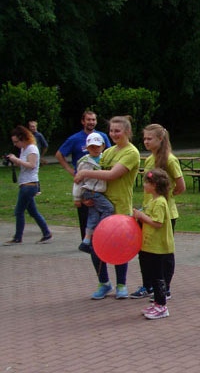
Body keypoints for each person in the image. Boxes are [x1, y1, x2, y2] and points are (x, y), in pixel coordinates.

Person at [74, 115, 140, 300]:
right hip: (99, 205)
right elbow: (95, 176)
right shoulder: (109, 152)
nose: (113, 134)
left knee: (119, 247)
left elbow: (112, 175)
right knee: (95, 246)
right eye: (111, 131)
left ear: (127, 132)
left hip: (119, 206)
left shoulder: (131, 153)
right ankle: (104, 283)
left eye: (117, 131)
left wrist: (84, 172)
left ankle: (121, 284)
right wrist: (87, 196)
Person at [130, 124, 186, 300]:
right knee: (145, 252)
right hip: (147, 211)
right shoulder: (148, 159)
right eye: (144, 138)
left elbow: (181, 186)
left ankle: (165, 288)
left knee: (163, 253)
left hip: (164, 213)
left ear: (160, 139)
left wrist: (165, 197)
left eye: (149, 138)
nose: (146, 141)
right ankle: (148, 285)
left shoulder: (170, 160)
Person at [55, 111, 111, 243]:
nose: (91, 122)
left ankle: (100, 238)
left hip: (101, 183)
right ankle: (86, 241)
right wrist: (71, 171)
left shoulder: (102, 136)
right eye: (88, 120)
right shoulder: (75, 138)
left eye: (93, 120)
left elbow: (110, 153)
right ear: (83, 121)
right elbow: (59, 154)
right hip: (85, 183)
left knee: (100, 211)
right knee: (86, 213)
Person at [132, 168, 175, 320]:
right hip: (150, 247)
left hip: (160, 249)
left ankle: (162, 306)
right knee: (153, 276)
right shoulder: (152, 201)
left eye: (147, 182)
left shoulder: (160, 203)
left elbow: (157, 223)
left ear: (155, 185)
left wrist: (141, 216)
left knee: (159, 278)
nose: (144, 185)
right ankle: (157, 302)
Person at [5, 126, 52, 245]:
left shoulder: (31, 148)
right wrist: (13, 160)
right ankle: (46, 233)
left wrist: (16, 160)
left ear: (23, 138)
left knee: (19, 211)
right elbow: (23, 165)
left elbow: (31, 165)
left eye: (16, 141)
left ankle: (18, 237)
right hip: (25, 184)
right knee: (33, 212)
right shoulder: (24, 149)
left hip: (29, 185)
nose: (15, 144)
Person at [73, 133, 115, 253]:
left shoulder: (105, 159)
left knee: (93, 215)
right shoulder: (84, 162)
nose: (95, 149)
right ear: (87, 148)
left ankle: (87, 241)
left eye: (97, 146)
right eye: (92, 147)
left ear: (102, 146)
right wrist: (77, 197)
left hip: (99, 192)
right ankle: (99, 232)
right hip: (91, 191)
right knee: (109, 209)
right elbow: (77, 181)